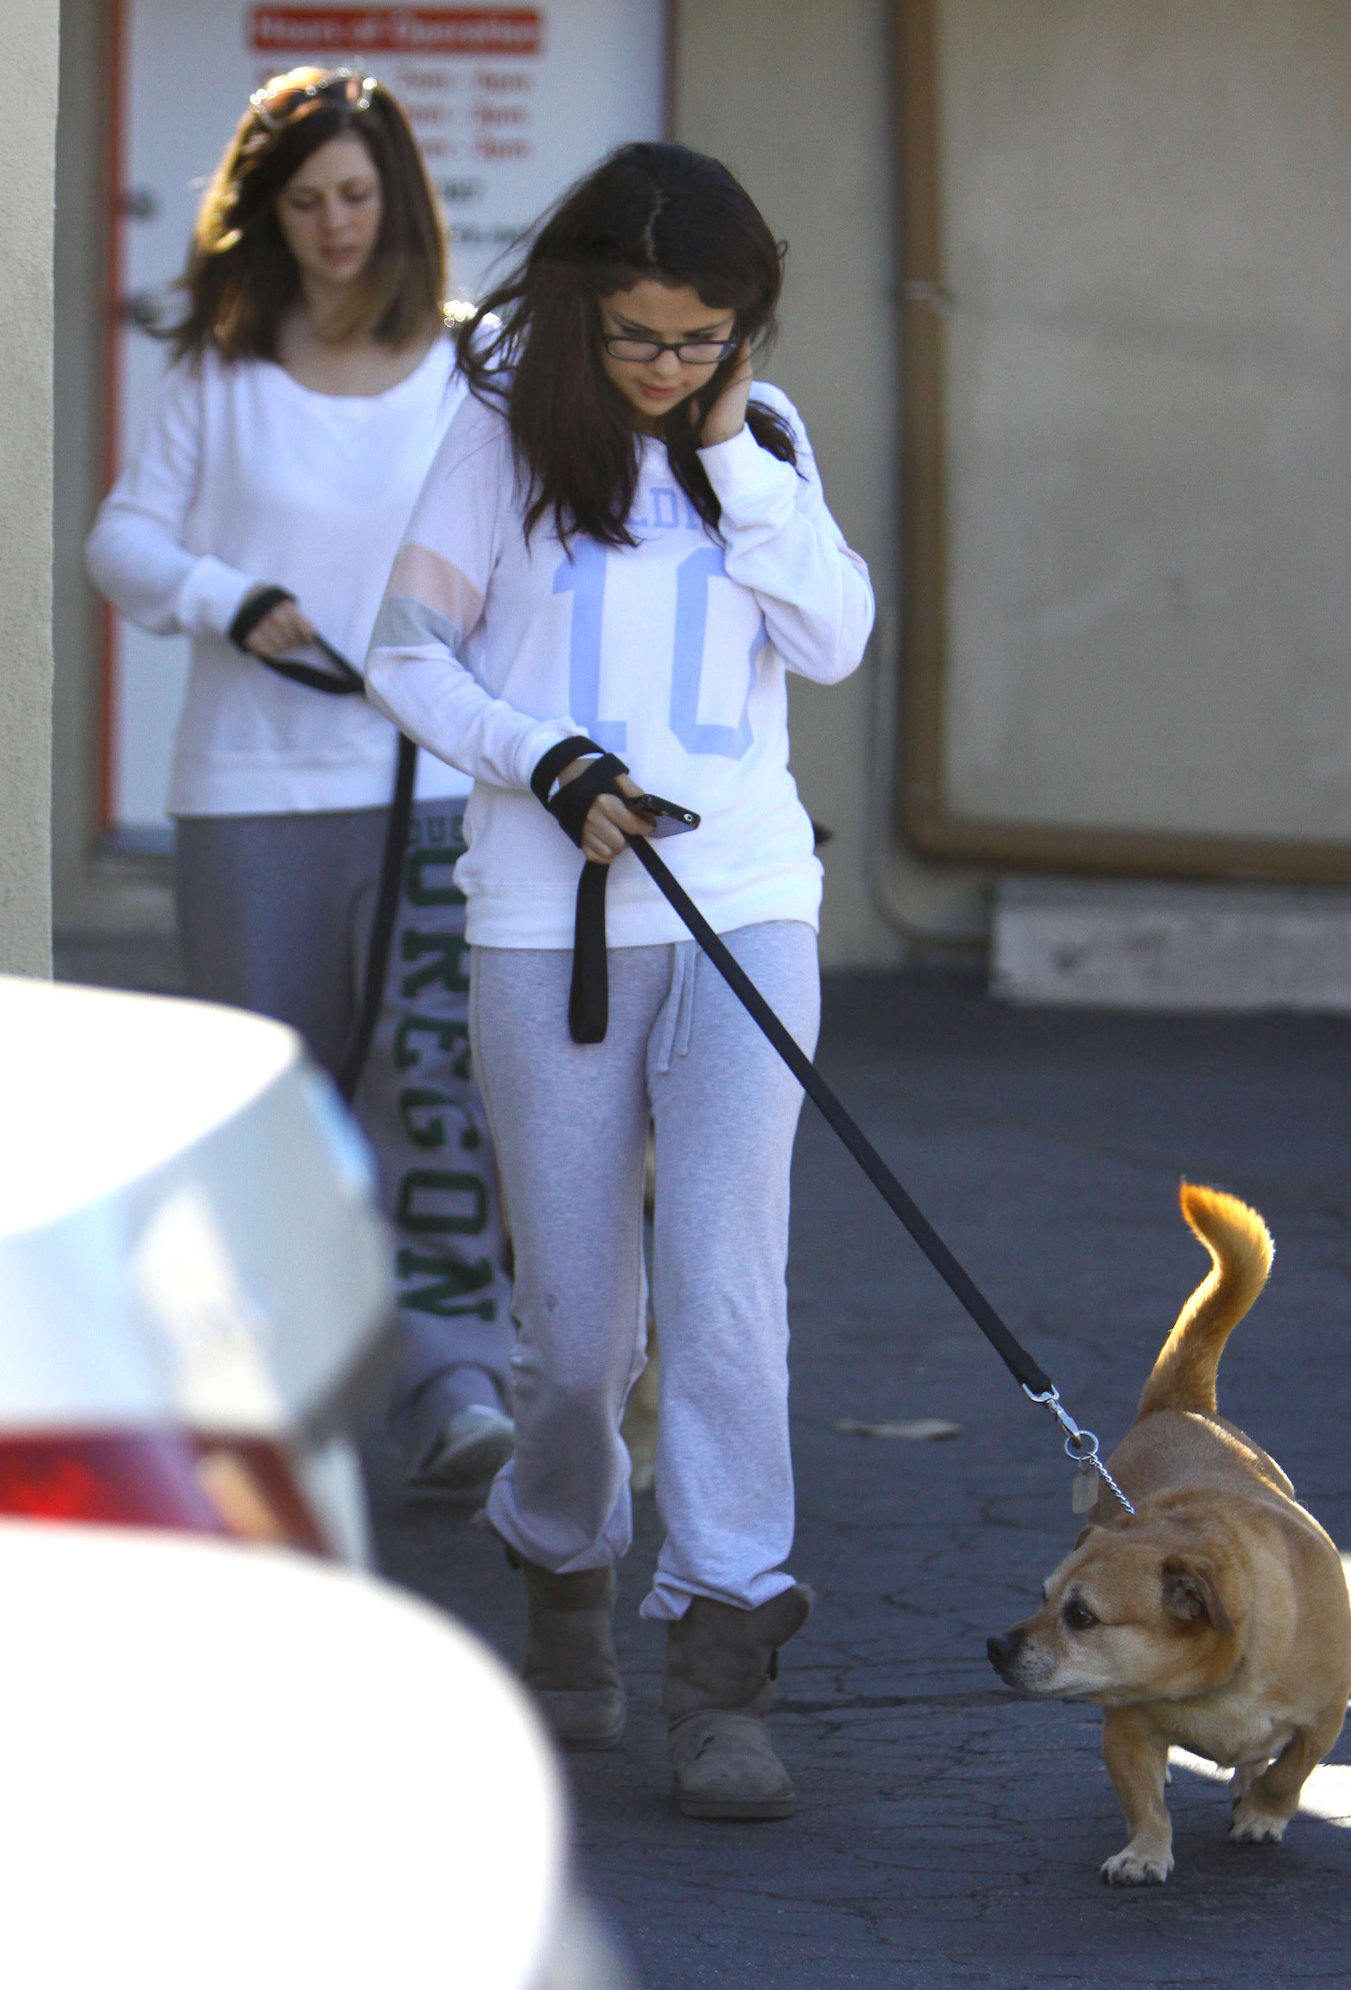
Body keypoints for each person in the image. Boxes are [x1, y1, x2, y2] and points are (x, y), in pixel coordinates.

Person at [365, 140, 874, 1818]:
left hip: (745, 903)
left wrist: (731, 447)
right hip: (547, 915)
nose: (665, 366)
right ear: (584, 307)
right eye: (638, 335)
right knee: (577, 1330)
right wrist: (543, 758)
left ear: (745, 329)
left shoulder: (764, 438)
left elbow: (835, 639)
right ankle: (564, 1577)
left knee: (724, 1286)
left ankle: (723, 1657)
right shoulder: (500, 431)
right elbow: (404, 654)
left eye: (701, 339)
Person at [86, 67, 515, 1494]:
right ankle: (271, 1405)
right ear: (266, 216)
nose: (337, 225)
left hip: (431, 787)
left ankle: (455, 1388)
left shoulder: (471, 370)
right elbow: (122, 543)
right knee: (267, 1104)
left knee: (433, 1087)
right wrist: (230, 597)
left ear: (400, 201)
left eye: (357, 195)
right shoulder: (223, 372)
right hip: (250, 794)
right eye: (307, 201)